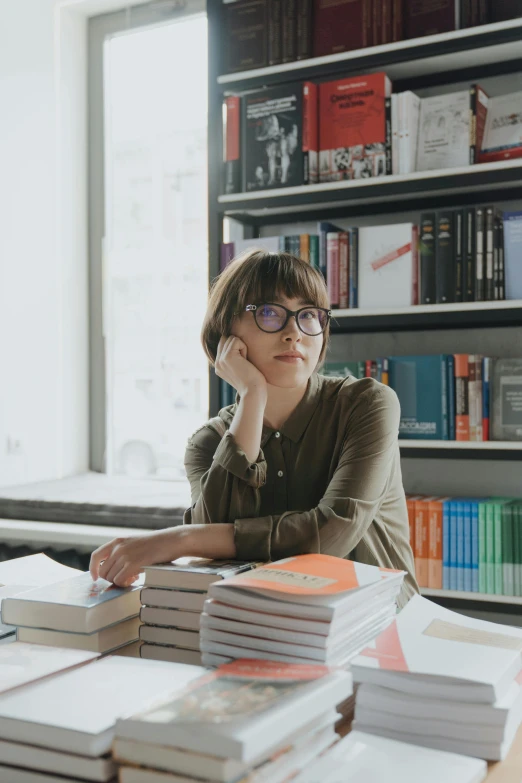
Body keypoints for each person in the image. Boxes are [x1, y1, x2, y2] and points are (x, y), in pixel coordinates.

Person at [90, 250, 419, 609]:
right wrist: (252, 394)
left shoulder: (367, 404)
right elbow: (214, 555)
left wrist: (181, 539)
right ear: (225, 333)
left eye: (309, 315)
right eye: (269, 313)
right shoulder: (208, 443)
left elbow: (330, 534)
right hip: (264, 624)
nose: (294, 333)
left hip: (375, 623)